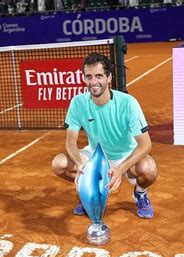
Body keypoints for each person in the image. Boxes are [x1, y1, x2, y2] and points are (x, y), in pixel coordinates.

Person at [52, 52, 158, 219]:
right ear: (84, 78)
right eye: (89, 76)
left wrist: (120, 168)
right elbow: (70, 142)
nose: (93, 82)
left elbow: (145, 145)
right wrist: (80, 165)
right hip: (95, 156)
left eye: (99, 76)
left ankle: (140, 193)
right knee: (58, 163)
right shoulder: (78, 103)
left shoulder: (128, 103)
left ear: (109, 78)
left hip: (125, 156)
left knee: (149, 169)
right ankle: (88, 193)